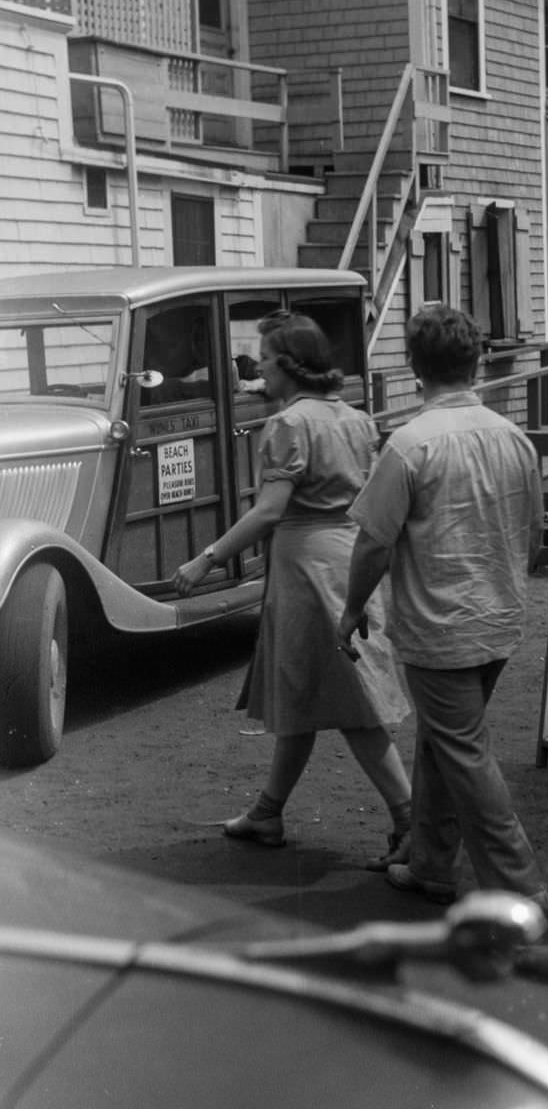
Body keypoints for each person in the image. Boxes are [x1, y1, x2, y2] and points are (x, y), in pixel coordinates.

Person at [173, 311, 411, 864]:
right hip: (350, 559)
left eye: (265, 358)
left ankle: (409, 820)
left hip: (308, 569)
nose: (257, 367)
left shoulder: (287, 425)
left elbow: (268, 512)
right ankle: (267, 812)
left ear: (290, 365)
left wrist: (206, 559)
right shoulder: (354, 419)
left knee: (354, 703)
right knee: (303, 695)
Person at [337, 305, 548, 915]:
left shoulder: (408, 445)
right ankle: (431, 861)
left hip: (440, 625)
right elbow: (533, 531)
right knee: (444, 738)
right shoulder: (514, 438)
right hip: (499, 615)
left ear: (413, 368)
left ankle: (520, 890)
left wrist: (352, 609)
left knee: (462, 751)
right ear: (477, 360)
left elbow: (374, 541)